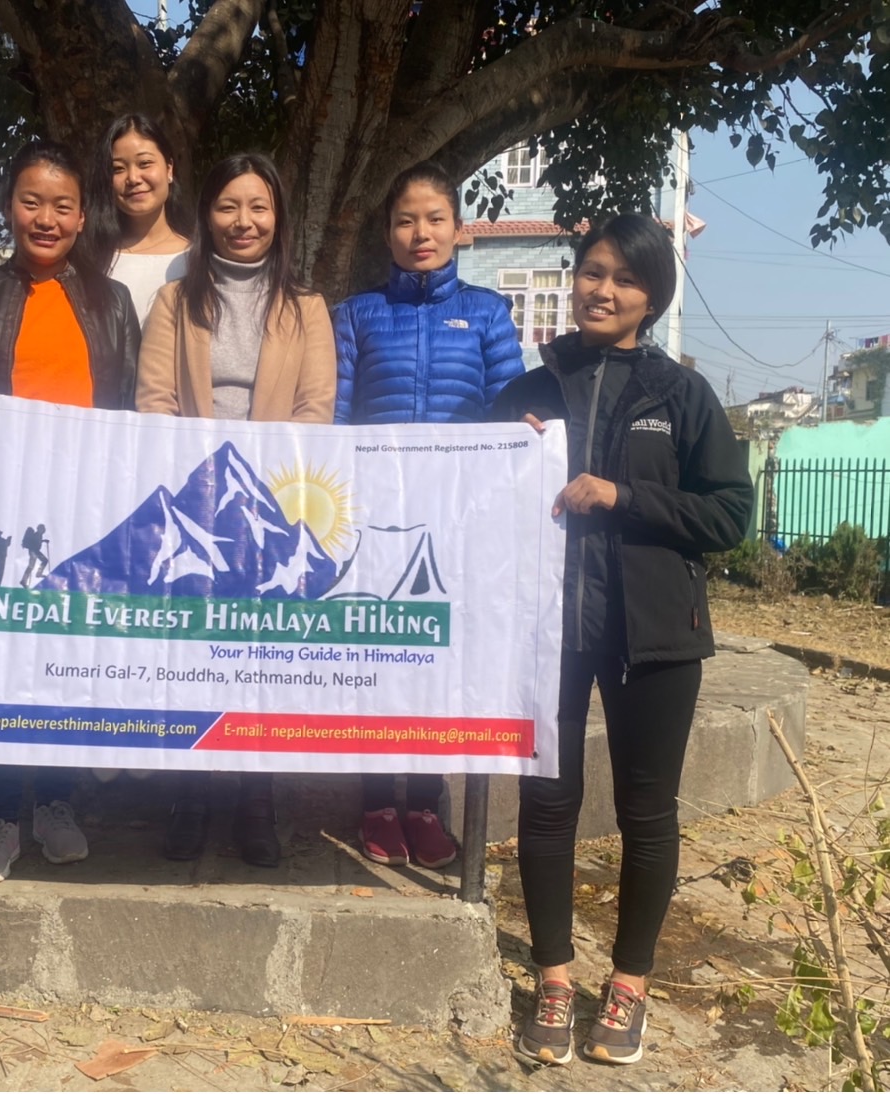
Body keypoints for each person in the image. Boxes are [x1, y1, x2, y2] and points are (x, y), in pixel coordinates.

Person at [491, 213, 753, 1066]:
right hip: (550, 631)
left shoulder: (683, 395)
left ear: (651, 297)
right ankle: (556, 978)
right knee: (549, 804)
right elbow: (472, 497)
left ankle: (630, 985)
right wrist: (503, 456)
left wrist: (625, 497)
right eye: (592, 272)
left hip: (657, 638)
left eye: (625, 279)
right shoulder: (532, 390)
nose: (603, 290)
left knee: (647, 814)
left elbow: (728, 514)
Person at [0, 139, 140, 885]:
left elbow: (128, 412)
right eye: (32, 202)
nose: (46, 218)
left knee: (63, 662)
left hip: (82, 509)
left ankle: (56, 802)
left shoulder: (112, 302)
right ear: (9, 206)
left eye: (62, 205)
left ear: (83, 214)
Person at [136, 152, 336, 865]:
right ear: (207, 215)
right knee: (192, 655)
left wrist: (263, 487)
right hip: (194, 502)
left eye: (258, 207)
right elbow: (155, 401)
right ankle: (190, 791)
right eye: (227, 206)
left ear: (278, 217)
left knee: (259, 658)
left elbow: (316, 409)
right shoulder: (175, 300)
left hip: (269, 508)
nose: (242, 221)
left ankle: (256, 797)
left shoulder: (305, 307)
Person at [332, 162, 525, 870]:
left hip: (458, 522)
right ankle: (378, 802)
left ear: (459, 230)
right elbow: (336, 417)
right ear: (388, 232)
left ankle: (425, 802)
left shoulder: (487, 314)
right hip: (376, 520)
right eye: (407, 220)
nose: (421, 233)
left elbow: (510, 411)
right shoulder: (354, 316)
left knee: (443, 662)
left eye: (435, 219)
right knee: (380, 661)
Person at [85, 113, 191, 323]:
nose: (133, 178)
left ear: (169, 169)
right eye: (118, 169)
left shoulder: (199, 258)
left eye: (144, 164)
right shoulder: (89, 259)